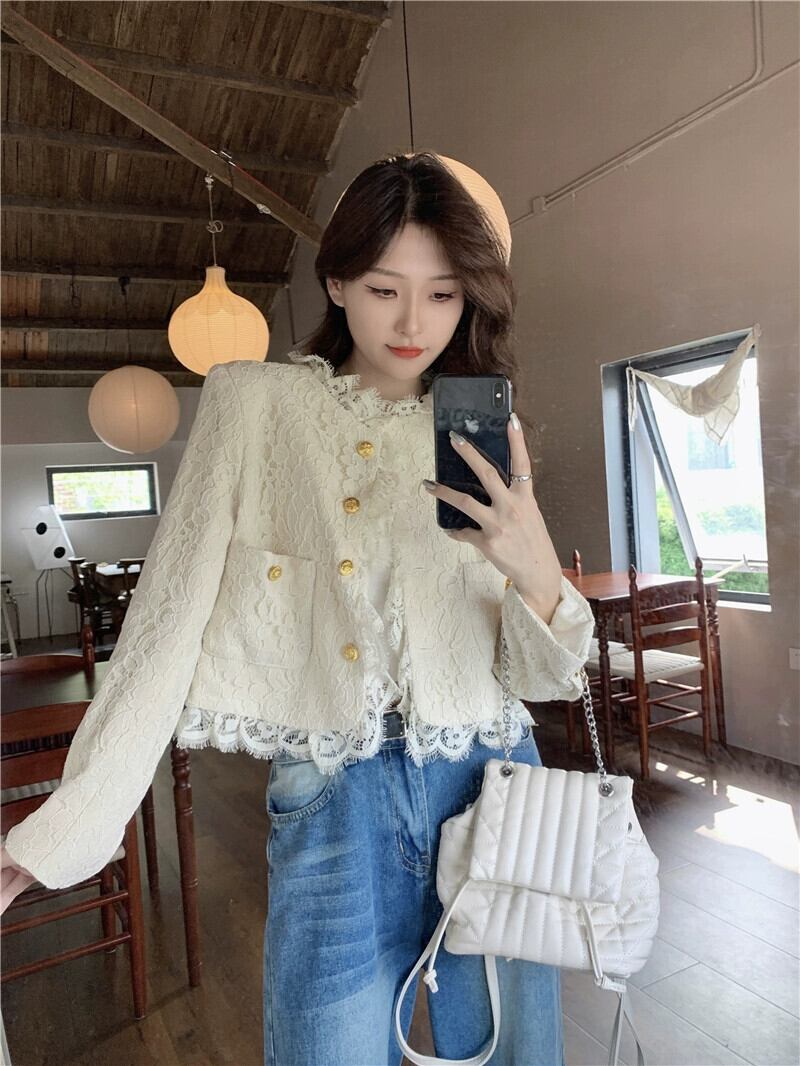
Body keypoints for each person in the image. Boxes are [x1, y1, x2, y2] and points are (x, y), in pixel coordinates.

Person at [1, 151, 595, 1065]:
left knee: (514, 1051)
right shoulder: (253, 405)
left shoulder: (480, 429)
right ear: (338, 281)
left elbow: (544, 677)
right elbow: (165, 622)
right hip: (334, 789)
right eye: (385, 288)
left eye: (443, 295)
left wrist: (534, 570)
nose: (413, 323)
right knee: (328, 1046)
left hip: (493, 780)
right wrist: (71, 822)